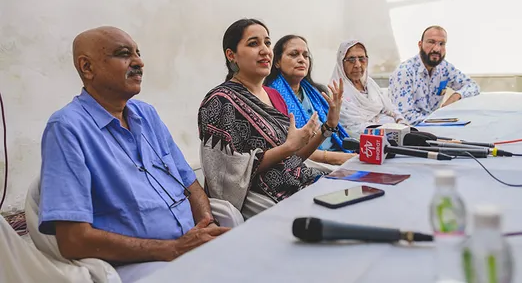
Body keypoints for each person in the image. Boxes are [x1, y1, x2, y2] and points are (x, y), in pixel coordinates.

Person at [38, 26, 229, 269]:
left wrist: (206, 223)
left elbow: (188, 181)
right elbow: (74, 240)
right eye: (123, 53)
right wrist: (171, 249)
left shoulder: (146, 114)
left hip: (188, 248)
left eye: (138, 53)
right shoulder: (66, 128)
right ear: (87, 67)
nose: (139, 62)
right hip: (139, 264)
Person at [198, 19, 344, 211]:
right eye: (253, 43)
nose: (265, 50)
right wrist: (288, 147)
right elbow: (228, 176)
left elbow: (293, 157)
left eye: (267, 43)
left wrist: (328, 127)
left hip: (301, 180)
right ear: (231, 55)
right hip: (266, 200)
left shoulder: (272, 96)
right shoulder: (220, 101)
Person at [264, 34, 356, 165]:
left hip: (335, 154)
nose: (302, 60)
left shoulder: (318, 92)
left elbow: (330, 132)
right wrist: (337, 158)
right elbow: (286, 150)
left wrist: (332, 124)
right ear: (277, 62)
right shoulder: (269, 96)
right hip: (304, 164)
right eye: (294, 54)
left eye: (305, 55)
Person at [388, 26, 480, 125]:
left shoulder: (444, 67)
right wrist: (442, 120)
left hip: (434, 126)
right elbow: (405, 117)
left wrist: (456, 96)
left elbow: (473, 86)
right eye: (431, 42)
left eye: (441, 44)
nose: (437, 49)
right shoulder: (405, 72)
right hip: (409, 132)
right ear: (420, 45)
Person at [331, 39, 405, 138]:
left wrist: (400, 121)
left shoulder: (370, 84)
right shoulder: (336, 91)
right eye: (351, 60)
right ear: (341, 63)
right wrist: (388, 129)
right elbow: (351, 128)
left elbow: (389, 107)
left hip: (392, 135)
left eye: (362, 58)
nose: (357, 65)